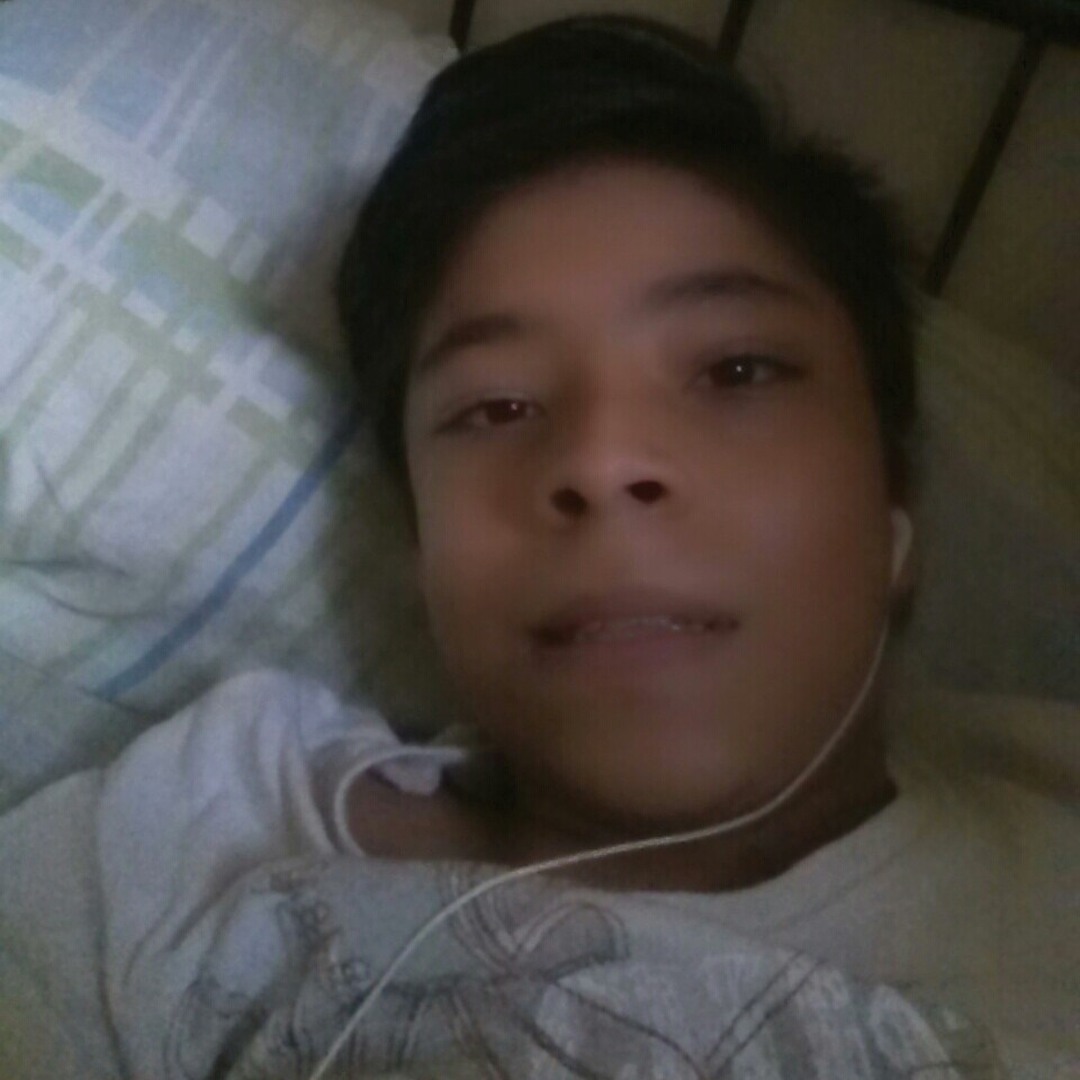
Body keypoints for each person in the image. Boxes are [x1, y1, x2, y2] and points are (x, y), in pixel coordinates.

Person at [1, 16, 1073, 1080]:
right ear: (422, 547)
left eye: (736, 371)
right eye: (498, 407)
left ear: (897, 512)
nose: (602, 460)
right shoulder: (206, 827)